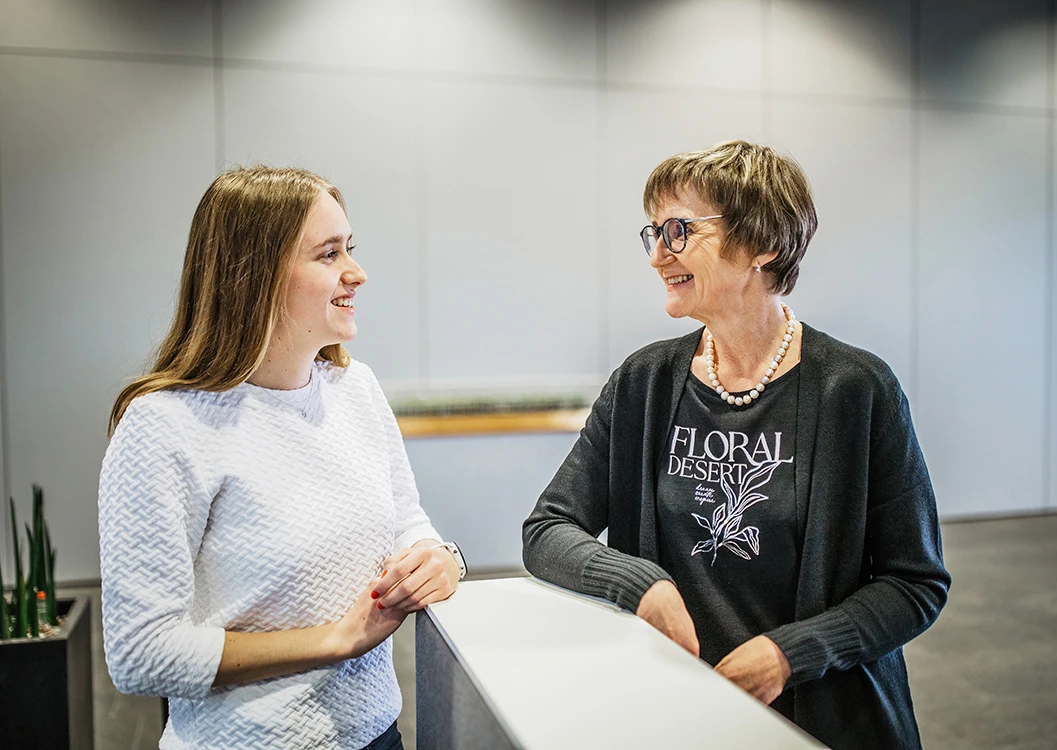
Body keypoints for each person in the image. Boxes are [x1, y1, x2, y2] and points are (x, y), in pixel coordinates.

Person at [522, 140, 950, 749]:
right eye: (654, 234)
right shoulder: (643, 383)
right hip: (679, 715)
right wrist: (641, 583)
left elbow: (916, 583)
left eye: (679, 230)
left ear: (763, 245)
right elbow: (547, 530)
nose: (657, 256)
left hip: (821, 722)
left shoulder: (856, 389)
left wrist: (789, 654)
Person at [99, 166, 464, 750]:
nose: (357, 272)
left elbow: (405, 521)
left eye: (350, 248)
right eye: (328, 254)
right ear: (255, 277)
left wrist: (440, 558)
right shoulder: (164, 425)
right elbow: (141, 654)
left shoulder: (356, 389)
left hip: (377, 736)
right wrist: (334, 641)